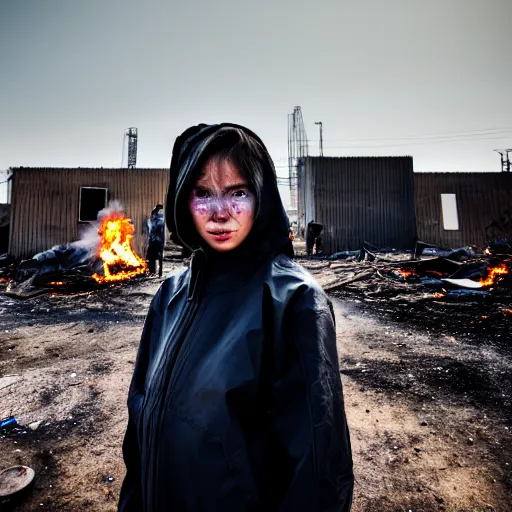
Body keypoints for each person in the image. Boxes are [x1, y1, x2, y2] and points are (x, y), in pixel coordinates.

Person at [119, 123, 353, 511]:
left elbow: (316, 474)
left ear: (261, 195)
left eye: (237, 193)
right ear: (183, 199)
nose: (219, 213)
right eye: (203, 193)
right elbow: (139, 435)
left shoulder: (294, 303)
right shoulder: (169, 298)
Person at [145, 204, 165, 276]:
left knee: (152, 257)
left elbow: (153, 230)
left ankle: (153, 272)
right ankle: (158, 272)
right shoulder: (159, 220)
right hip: (158, 241)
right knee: (158, 257)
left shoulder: (158, 221)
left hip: (156, 241)